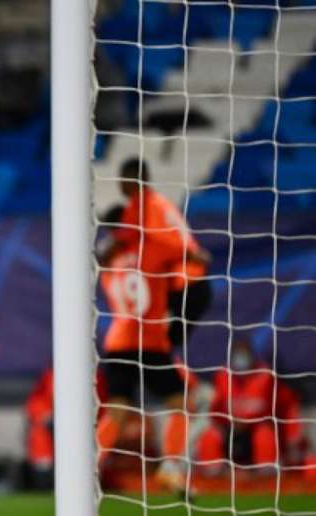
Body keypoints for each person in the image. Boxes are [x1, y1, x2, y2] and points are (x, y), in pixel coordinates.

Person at [96, 161, 209, 493]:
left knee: (117, 409)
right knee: (179, 402)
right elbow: (181, 252)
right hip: (151, 340)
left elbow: (109, 253)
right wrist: (197, 256)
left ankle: (89, 465)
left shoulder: (107, 266)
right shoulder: (152, 251)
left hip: (117, 341)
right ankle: (170, 468)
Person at [196, 340, 305, 475]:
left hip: (258, 428)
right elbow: (215, 411)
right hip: (230, 429)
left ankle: (267, 476)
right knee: (209, 436)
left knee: (264, 435)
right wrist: (228, 423)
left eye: (244, 353)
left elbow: (286, 405)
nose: (240, 357)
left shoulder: (266, 376)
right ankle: (213, 479)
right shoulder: (222, 376)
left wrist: (291, 436)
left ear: (252, 355)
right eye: (237, 353)